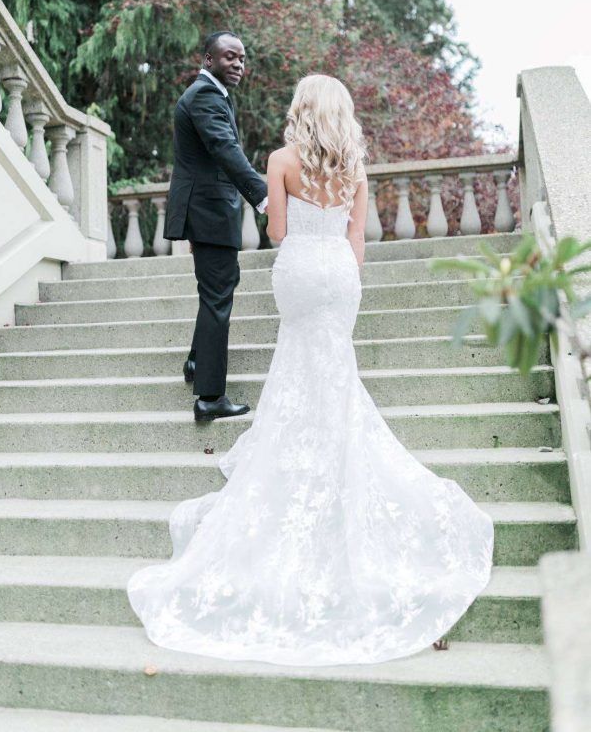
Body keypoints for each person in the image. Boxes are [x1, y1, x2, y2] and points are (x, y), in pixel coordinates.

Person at [128, 73, 494, 666]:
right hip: (339, 276)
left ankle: (299, 449)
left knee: (298, 363)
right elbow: (357, 239)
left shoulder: (280, 160)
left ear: (301, 110)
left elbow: (275, 231)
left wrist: (299, 232)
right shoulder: (356, 166)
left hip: (298, 270)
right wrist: (345, 280)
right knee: (334, 370)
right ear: (342, 112)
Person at [164, 31, 268, 421]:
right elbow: (226, 149)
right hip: (208, 212)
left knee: (216, 292)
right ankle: (210, 396)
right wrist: (264, 197)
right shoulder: (205, 96)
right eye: (229, 57)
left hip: (208, 211)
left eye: (242, 58)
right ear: (208, 59)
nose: (239, 64)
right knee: (218, 297)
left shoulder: (211, 93)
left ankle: (196, 363)